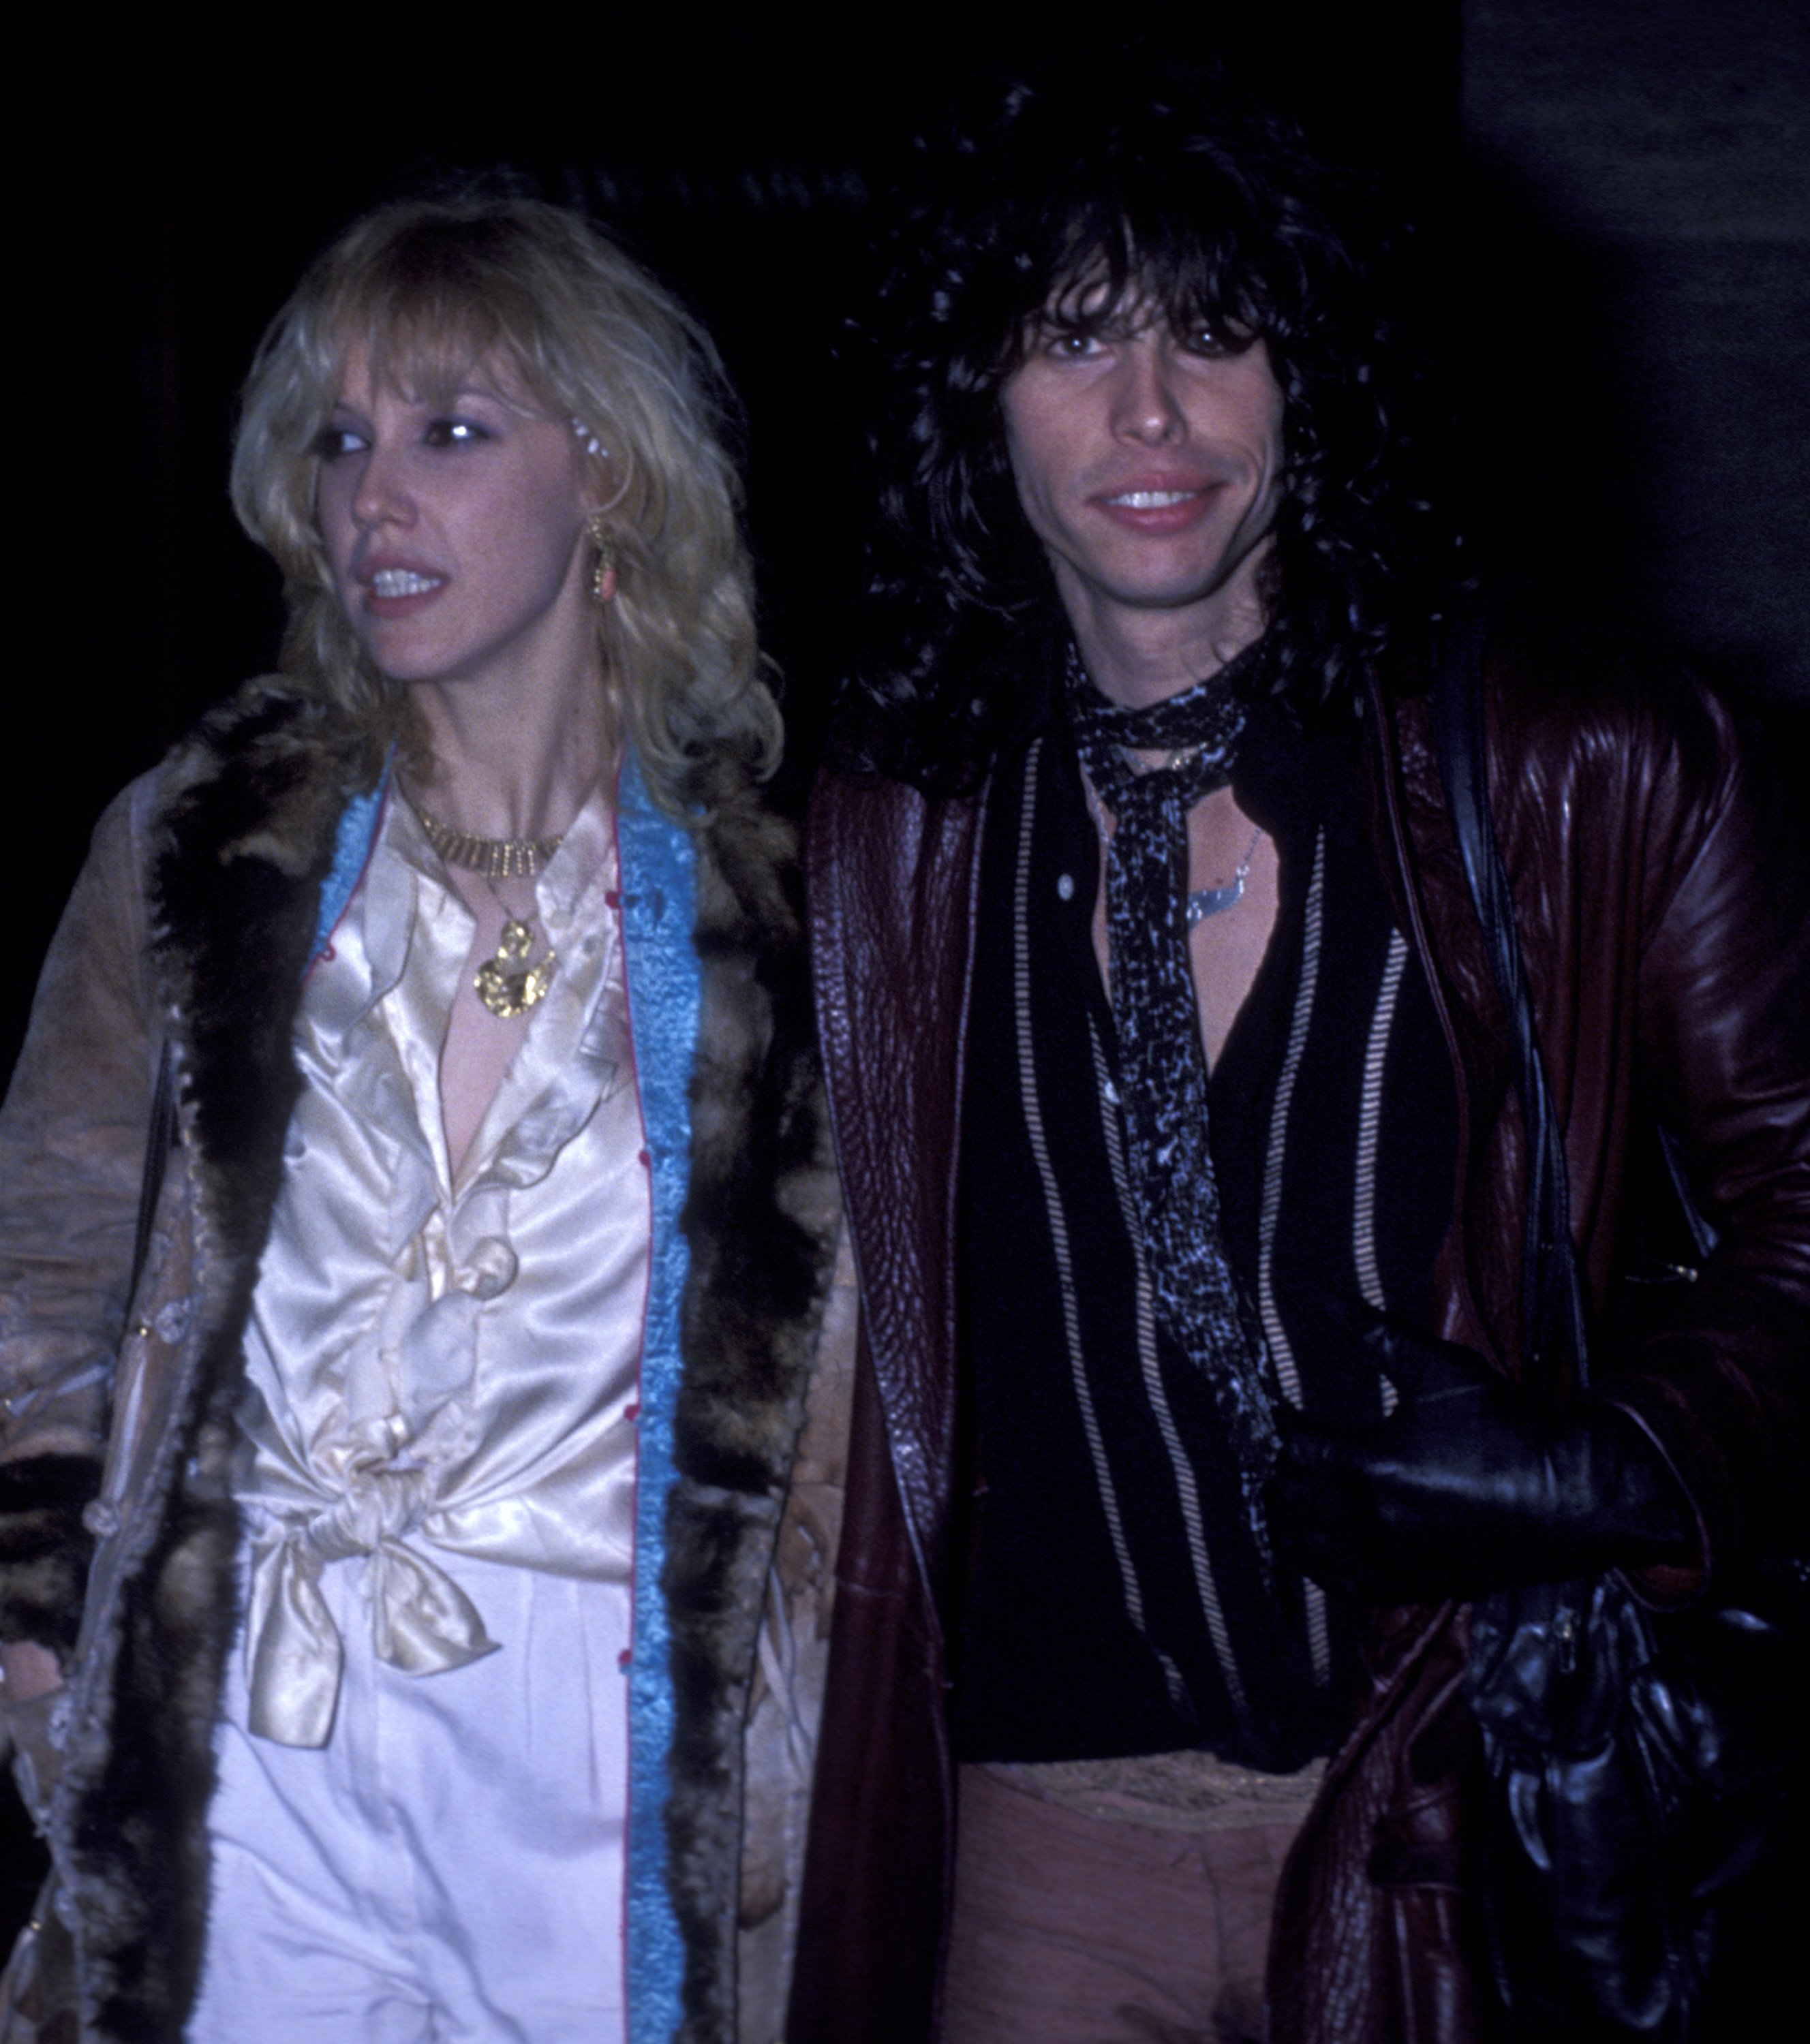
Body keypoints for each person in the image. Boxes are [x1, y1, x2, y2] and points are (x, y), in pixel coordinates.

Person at [792, 82, 1810, 2044]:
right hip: (1035, 1840)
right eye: (1076, 336)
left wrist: (1626, 1455)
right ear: (976, 399)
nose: (1151, 412)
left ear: (1312, 374)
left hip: (1455, 1821)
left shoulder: (1579, 766)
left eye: (1216, 329)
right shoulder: (888, 825)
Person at [0, 195, 854, 2044]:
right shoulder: (191, 847)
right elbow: (42, 1268)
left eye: (451, 431)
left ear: (608, 475)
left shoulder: (805, 905)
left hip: (603, 1762)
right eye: (340, 438)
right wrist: (33, 1631)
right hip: (249, 1741)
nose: (375, 494)